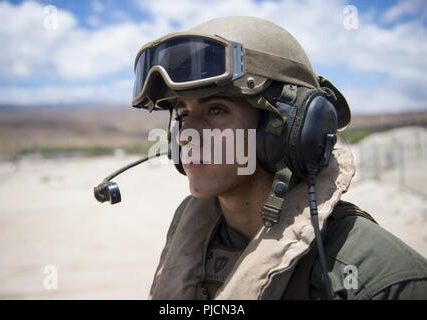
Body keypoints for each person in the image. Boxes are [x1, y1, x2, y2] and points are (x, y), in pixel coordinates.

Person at [131, 16, 427, 300]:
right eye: (183, 114)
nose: (185, 135)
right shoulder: (192, 238)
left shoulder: (381, 279)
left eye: (216, 110)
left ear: (291, 128)